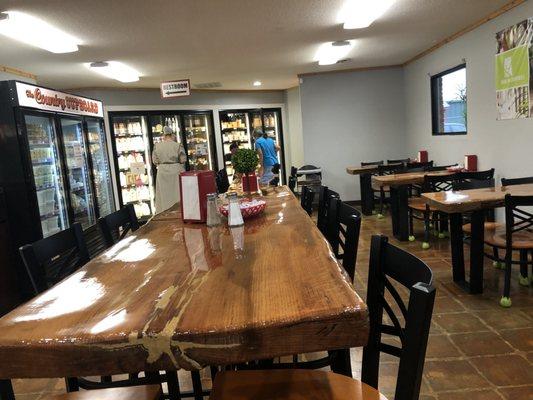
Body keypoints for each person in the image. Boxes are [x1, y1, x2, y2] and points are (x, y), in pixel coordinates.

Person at [152, 126, 186, 213]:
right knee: (177, 194)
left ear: (164, 135)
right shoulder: (177, 145)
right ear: (172, 135)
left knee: (164, 196)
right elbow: (183, 160)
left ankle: (164, 214)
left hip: (162, 172)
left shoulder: (157, 146)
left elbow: (155, 161)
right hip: (176, 171)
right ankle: (178, 213)